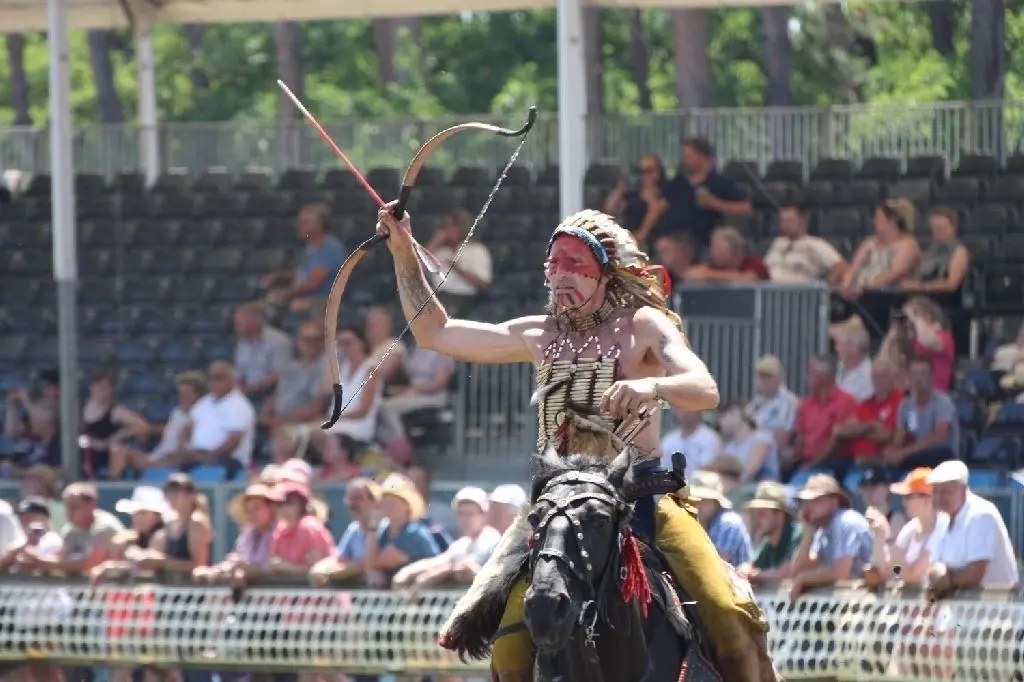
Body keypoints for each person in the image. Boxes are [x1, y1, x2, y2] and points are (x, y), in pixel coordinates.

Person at [372, 204, 774, 682]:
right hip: (556, 505)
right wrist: (402, 253)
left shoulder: (642, 325)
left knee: (727, 613)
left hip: (638, 498)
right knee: (506, 647)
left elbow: (704, 388)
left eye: (574, 265)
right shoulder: (538, 334)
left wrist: (653, 387)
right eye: (553, 265)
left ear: (605, 273)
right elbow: (434, 332)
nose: (560, 276)